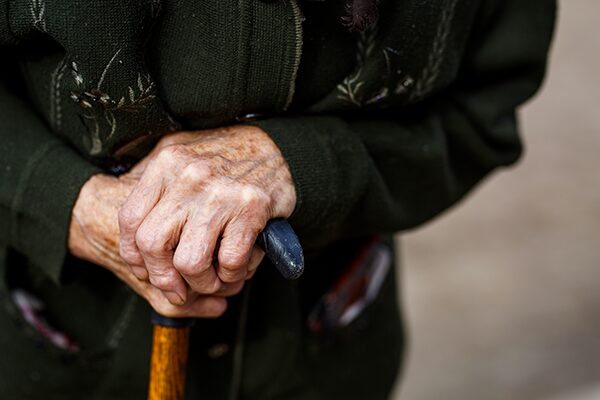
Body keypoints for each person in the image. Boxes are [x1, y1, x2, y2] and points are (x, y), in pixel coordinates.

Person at [0, 0, 555, 399]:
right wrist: (72, 203)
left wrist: (299, 161)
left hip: (325, 358)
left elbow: (485, 111)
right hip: (57, 351)